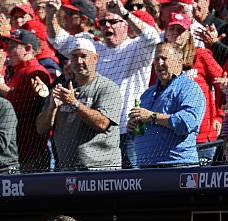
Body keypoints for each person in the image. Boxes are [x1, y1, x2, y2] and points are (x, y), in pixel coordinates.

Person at [47, 0, 160, 168]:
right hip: (101, 133)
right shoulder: (94, 49)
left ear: (126, 25)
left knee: (136, 184)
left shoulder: (136, 47)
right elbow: (57, 39)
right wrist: (51, 15)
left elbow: (153, 38)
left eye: (113, 21)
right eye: (103, 22)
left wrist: (124, 12)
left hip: (131, 130)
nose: (107, 26)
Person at [44, 39, 123, 170]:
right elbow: (41, 128)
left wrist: (74, 103)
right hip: (66, 169)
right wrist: (52, 108)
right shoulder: (61, 89)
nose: (79, 61)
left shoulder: (107, 87)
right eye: (74, 57)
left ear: (95, 58)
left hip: (101, 169)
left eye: (83, 56)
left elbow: (102, 124)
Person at [128, 42, 205, 166]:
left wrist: (152, 117)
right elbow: (140, 132)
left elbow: (187, 123)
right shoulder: (147, 93)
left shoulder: (189, 88)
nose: (159, 63)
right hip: (145, 166)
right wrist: (132, 127)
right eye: (156, 59)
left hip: (177, 165)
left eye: (164, 58)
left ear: (179, 62)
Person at [164, 12, 225, 161]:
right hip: (174, 136)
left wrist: (219, 115)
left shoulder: (201, 55)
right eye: (172, 30)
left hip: (203, 135)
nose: (176, 34)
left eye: (180, 30)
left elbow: (223, 84)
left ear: (188, 33)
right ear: (166, 33)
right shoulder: (161, 61)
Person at [0, 29, 53, 172]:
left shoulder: (35, 72)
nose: (7, 50)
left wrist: (0, 86)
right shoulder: (17, 70)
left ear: (28, 49)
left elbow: (21, 106)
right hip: (17, 149)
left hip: (31, 150)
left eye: (13, 46)